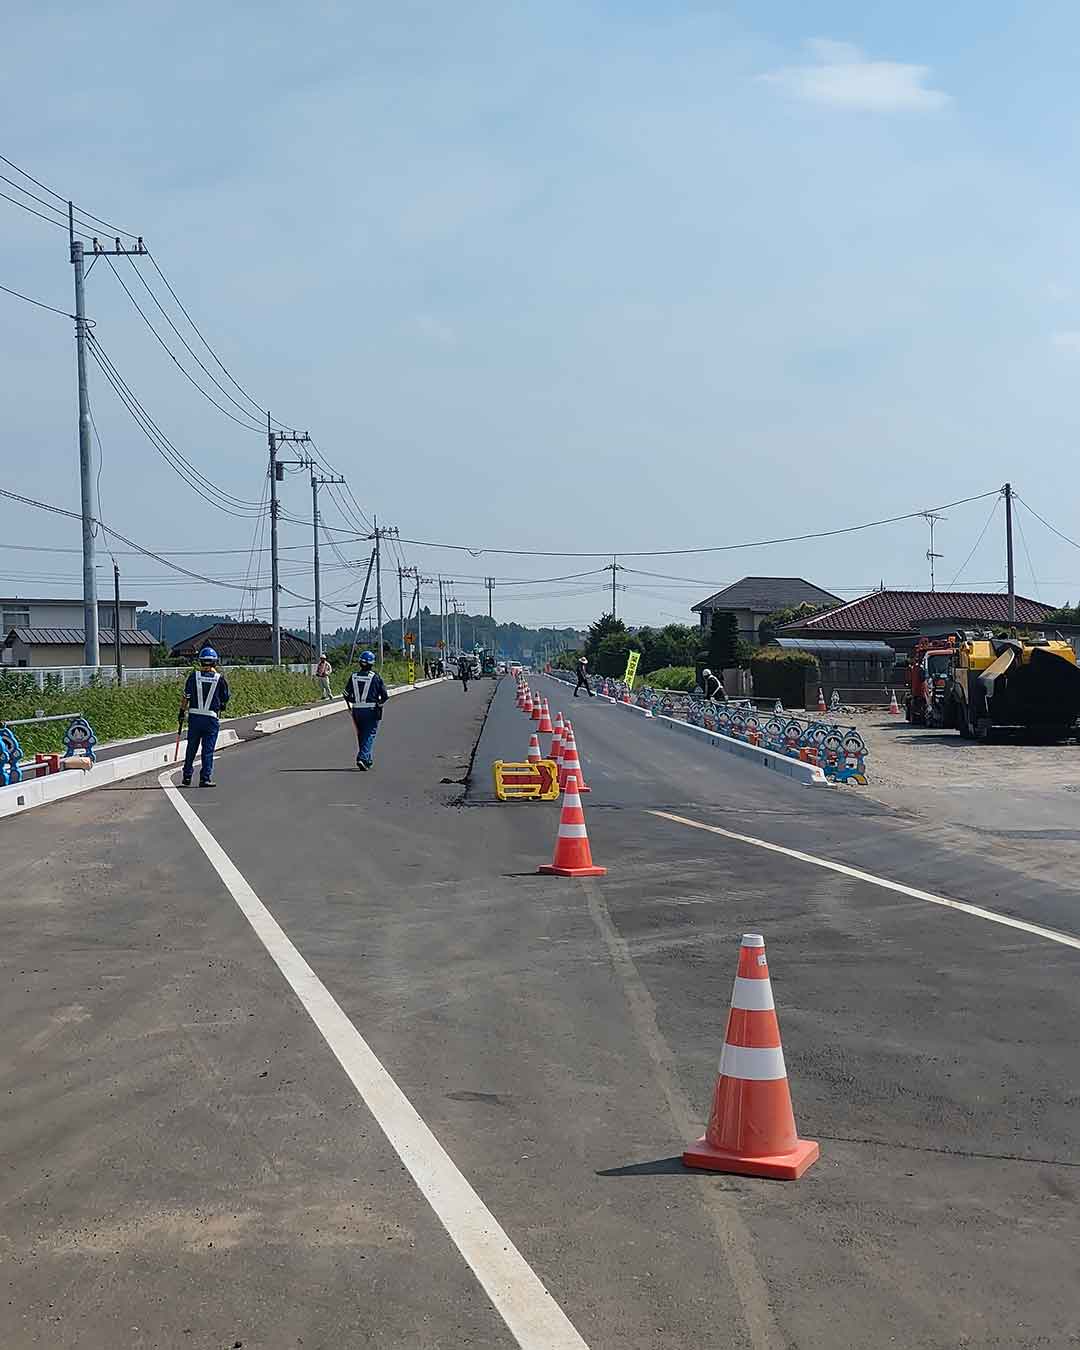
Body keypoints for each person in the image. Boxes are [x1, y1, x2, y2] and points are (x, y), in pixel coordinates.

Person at [180, 646, 230, 788]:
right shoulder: (220, 679)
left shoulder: (193, 676)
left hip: (194, 717)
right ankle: (205, 778)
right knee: (207, 750)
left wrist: (181, 712)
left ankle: (187, 777)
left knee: (191, 748)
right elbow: (225, 697)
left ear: (201, 661)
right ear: (215, 662)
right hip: (211, 719)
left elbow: (186, 696)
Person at [343, 650, 389, 770]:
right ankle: (362, 758)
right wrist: (379, 704)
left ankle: (367, 760)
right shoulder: (375, 677)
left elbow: (346, 694)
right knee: (369, 734)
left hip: (356, 711)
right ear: (371, 664)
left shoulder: (353, 676)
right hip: (371, 710)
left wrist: (353, 700)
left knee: (362, 735)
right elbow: (384, 696)